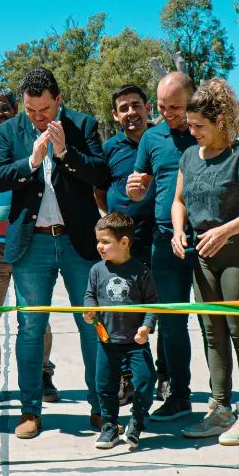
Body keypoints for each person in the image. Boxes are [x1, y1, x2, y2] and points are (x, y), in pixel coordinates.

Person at [0, 66, 109, 439]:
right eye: (30, 110)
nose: (38, 118)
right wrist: (33, 162)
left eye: (44, 110)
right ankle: (30, 411)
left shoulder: (83, 125)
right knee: (29, 328)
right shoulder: (11, 130)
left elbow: (101, 174)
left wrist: (65, 153)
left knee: (91, 325)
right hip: (32, 243)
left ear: (59, 100)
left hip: (78, 243)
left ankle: (101, 408)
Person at [171, 78, 239, 447]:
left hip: (238, 254)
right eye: (190, 124)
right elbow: (179, 200)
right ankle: (219, 408)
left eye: (198, 126)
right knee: (212, 331)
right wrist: (178, 231)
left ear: (220, 122)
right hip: (202, 256)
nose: (191, 131)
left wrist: (226, 231)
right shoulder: (188, 157)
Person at [0, 86, 54, 405]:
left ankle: (43, 374)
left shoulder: (30, 139)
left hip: (30, 240)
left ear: (15, 107)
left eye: (3, 107)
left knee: (33, 315)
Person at [126, 72, 198, 420]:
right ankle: (179, 395)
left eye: (176, 107)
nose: (168, 113)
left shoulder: (208, 132)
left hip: (209, 240)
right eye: (161, 106)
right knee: (170, 323)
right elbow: (138, 187)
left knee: (220, 322)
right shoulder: (152, 137)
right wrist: (135, 190)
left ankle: (225, 399)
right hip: (164, 242)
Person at [94, 83, 155, 407]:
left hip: (158, 241)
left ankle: (168, 381)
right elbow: (100, 191)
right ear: (116, 116)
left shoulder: (160, 141)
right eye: (124, 108)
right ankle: (128, 381)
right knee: (124, 314)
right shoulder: (110, 148)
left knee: (162, 313)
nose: (131, 112)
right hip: (124, 249)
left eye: (136, 105)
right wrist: (115, 220)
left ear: (147, 108)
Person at [82, 212, 159, 452]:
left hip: (136, 342)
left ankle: (136, 420)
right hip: (107, 340)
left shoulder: (141, 271)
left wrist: (146, 328)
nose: (100, 247)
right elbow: (90, 295)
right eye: (98, 241)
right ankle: (110, 425)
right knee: (104, 385)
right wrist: (89, 310)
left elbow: (152, 303)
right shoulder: (96, 270)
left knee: (145, 380)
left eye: (106, 242)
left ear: (124, 242)